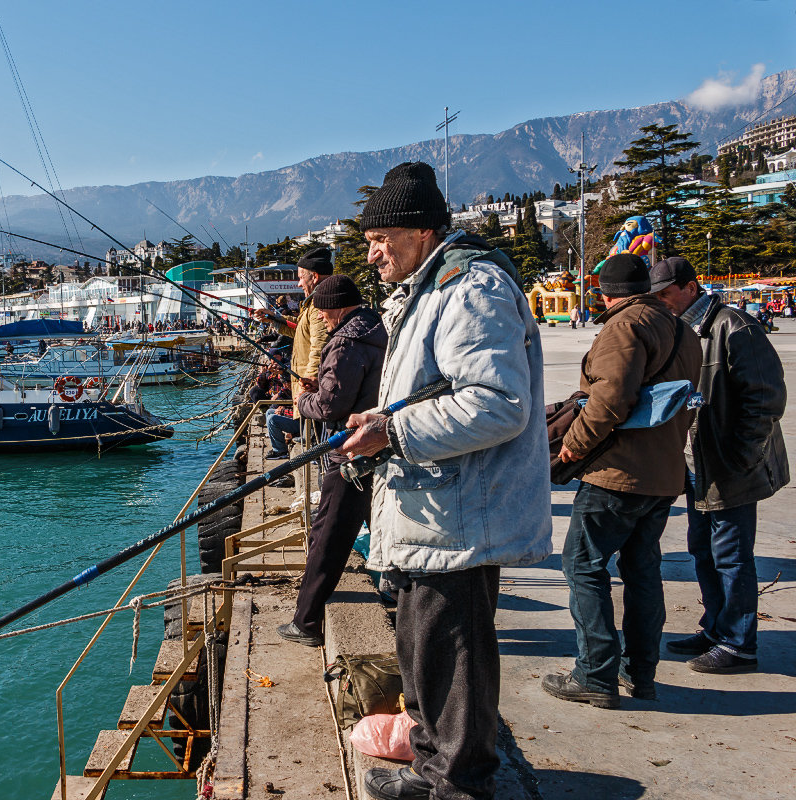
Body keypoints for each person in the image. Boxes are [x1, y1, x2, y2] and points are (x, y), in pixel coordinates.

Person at [341, 162, 552, 800]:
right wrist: (382, 420)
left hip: (457, 515)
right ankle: (434, 767)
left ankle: (459, 787)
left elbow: (496, 403)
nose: (372, 253)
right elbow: (433, 393)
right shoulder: (427, 290)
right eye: (370, 239)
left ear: (425, 233)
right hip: (433, 509)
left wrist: (394, 435)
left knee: (453, 657)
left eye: (385, 239)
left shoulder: (470, 288)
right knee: (423, 651)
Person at [543, 253, 701, 709]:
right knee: (642, 572)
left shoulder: (625, 326)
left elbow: (609, 399)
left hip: (619, 473)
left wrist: (573, 444)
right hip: (664, 472)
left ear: (605, 294)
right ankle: (641, 675)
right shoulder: (681, 329)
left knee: (582, 566)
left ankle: (595, 674)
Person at [650, 256, 789, 674]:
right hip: (697, 464)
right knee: (703, 550)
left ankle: (739, 643)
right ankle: (716, 627)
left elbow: (765, 399)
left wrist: (741, 458)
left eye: (665, 293)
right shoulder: (679, 329)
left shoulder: (734, 326)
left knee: (731, 554)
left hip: (729, 466)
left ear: (691, 287)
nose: (661, 301)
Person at [276, 274, 387, 646]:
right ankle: (396, 590)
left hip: (350, 450)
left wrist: (303, 401)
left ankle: (305, 622)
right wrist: (321, 386)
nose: (322, 320)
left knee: (328, 533)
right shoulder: (377, 328)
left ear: (337, 308)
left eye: (323, 314)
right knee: (384, 525)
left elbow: (330, 405)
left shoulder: (346, 341)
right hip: (381, 445)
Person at [253, 247, 332, 443]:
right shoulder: (314, 303)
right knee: (311, 439)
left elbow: (319, 345)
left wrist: (311, 380)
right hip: (310, 389)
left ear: (313, 276)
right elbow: (300, 329)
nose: (298, 283)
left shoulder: (318, 305)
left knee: (316, 444)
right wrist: (274, 319)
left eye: (300, 278)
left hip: (312, 390)